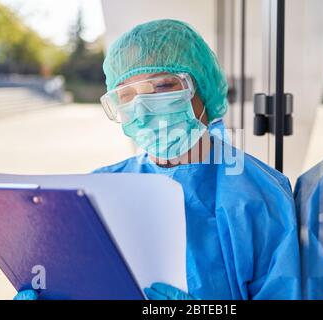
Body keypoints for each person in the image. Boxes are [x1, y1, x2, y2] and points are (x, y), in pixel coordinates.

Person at [15, 19, 301, 300]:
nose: (142, 107)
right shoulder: (97, 189)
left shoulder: (261, 194)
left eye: (163, 86)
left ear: (201, 88)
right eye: (126, 95)